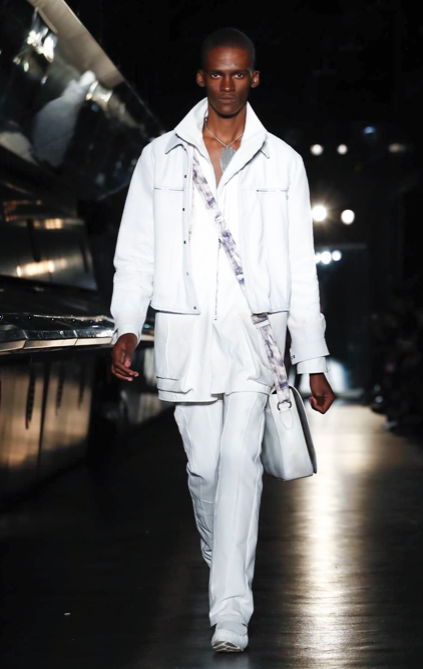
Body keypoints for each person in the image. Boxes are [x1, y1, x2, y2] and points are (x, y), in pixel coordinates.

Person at [110, 27, 335, 652]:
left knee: (239, 461)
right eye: (217, 74)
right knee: (205, 469)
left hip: (255, 339)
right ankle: (223, 552)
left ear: (254, 78)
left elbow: (300, 268)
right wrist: (126, 326)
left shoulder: (284, 163)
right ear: (201, 78)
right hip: (186, 336)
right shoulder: (160, 158)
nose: (228, 85)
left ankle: (230, 610)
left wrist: (312, 359)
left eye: (239, 74)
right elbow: (136, 254)